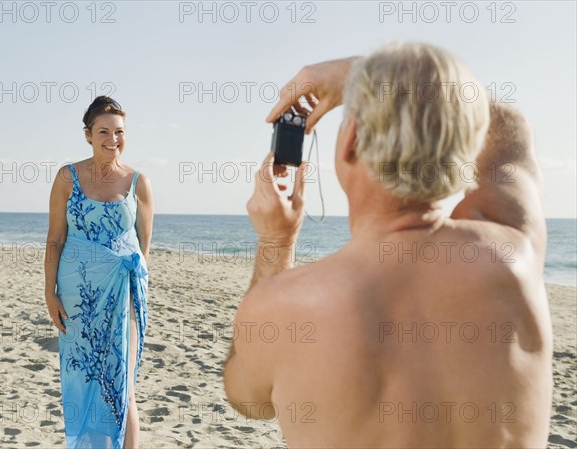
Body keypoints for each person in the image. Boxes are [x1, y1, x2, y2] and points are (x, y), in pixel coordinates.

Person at [223, 42, 552, 448]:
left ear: (352, 140)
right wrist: (362, 76)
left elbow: (248, 401)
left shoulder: (284, 307)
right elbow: (508, 130)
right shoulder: (514, 251)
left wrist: (277, 241)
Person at [44, 96, 154, 449]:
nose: (113, 139)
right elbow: (55, 239)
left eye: (119, 132)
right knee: (85, 381)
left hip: (124, 297)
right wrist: (50, 293)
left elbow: (142, 248)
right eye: (103, 131)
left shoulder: (138, 183)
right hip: (77, 299)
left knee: (124, 387)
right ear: (88, 135)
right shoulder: (67, 178)